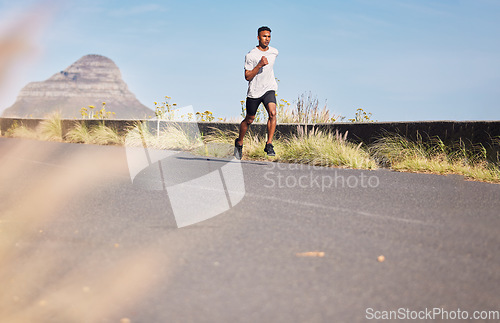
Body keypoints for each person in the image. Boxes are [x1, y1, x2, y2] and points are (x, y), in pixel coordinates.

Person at [235, 26, 278, 159]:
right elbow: (247, 76)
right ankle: (239, 142)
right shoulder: (251, 55)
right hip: (254, 91)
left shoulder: (274, 52)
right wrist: (259, 65)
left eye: (269, 36)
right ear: (258, 38)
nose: (267, 39)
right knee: (249, 120)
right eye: (264, 36)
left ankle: (269, 144)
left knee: (273, 113)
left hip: (269, 88)